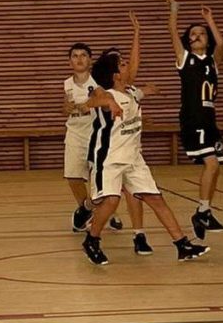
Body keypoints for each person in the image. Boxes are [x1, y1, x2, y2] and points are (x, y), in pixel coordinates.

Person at [82, 16, 208, 267]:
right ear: (116, 74)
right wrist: (108, 102)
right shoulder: (106, 93)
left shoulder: (129, 91)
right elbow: (92, 100)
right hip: (109, 160)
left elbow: (135, 64)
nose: (129, 65)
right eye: (123, 64)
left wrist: (137, 33)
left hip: (133, 158)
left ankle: (182, 245)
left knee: (156, 199)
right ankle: (92, 240)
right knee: (111, 201)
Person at [168, 0, 223, 240]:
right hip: (193, 118)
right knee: (211, 164)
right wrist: (174, 10)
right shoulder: (185, 58)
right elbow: (172, 31)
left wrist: (209, 20)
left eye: (202, 33)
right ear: (189, 40)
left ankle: (204, 211)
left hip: (210, 119)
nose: (199, 35)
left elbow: (221, 42)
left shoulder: (212, 61)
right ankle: (202, 211)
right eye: (194, 33)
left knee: (216, 167)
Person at [64, 42, 124, 235]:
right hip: (74, 133)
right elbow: (65, 106)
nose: (79, 59)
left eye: (83, 55)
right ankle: (88, 211)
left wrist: (93, 102)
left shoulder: (98, 82)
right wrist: (66, 107)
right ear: (70, 61)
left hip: (95, 134)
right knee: (73, 176)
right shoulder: (67, 83)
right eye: (75, 56)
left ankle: (105, 213)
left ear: (90, 60)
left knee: (98, 178)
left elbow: (106, 98)